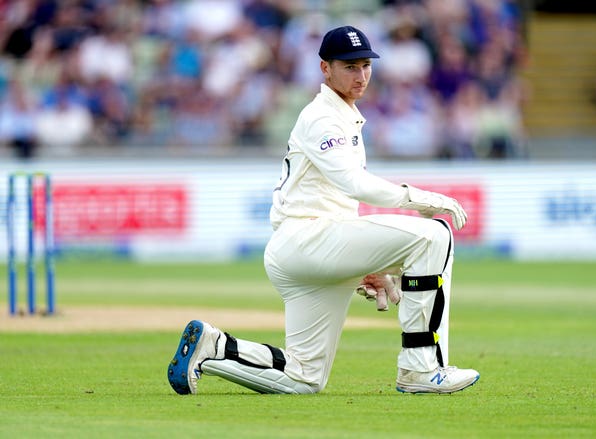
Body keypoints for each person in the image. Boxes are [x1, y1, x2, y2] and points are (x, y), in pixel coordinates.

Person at [167, 25, 480, 395]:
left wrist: (365, 262)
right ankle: (421, 369)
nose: (360, 75)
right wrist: (422, 198)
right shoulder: (321, 117)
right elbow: (355, 184)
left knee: (303, 378)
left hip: (307, 248)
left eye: (365, 65)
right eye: (349, 66)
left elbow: (338, 198)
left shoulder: (344, 115)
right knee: (434, 235)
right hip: (308, 240)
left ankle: (215, 347)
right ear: (324, 68)